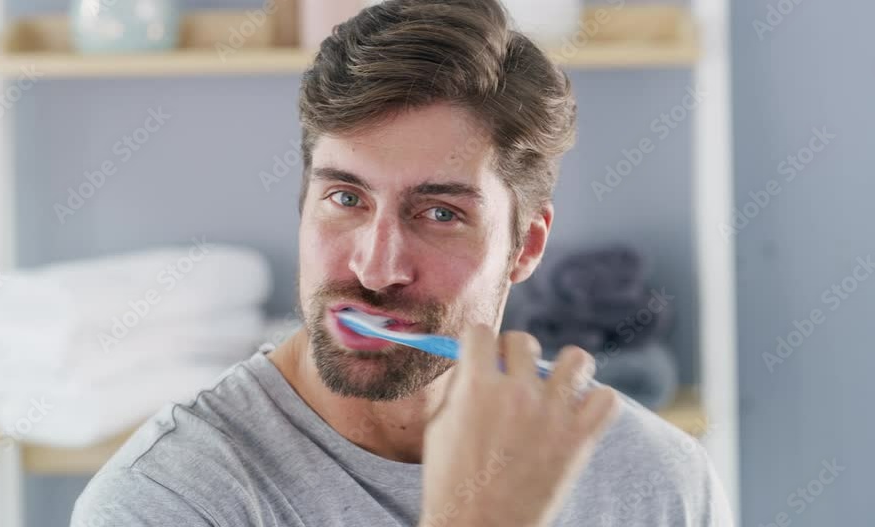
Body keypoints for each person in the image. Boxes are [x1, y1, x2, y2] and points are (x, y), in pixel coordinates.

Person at [72, 0, 733, 525]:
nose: (376, 266)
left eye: (440, 213)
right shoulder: (166, 499)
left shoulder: (656, 483)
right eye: (345, 198)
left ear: (526, 245)